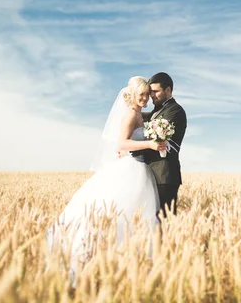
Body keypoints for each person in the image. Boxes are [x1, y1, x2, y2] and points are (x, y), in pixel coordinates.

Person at [46, 76, 166, 283]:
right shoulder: (130, 115)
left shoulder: (137, 113)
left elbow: (149, 117)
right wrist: (150, 145)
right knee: (124, 211)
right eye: (142, 95)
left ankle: (131, 260)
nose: (146, 99)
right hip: (131, 168)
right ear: (131, 96)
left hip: (138, 168)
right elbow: (121, 144)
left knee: (138, 213)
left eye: (147, 94)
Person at [136, 72, 187, 218]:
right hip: (152, 173)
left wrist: (133, 149)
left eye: (156, 91)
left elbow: (169, 145)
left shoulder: (175, 111)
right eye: (150, 92)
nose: (151, 95)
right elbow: (142, 116)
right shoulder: (157, 109)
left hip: (164, 175)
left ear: (168, 90)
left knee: (164, 221)